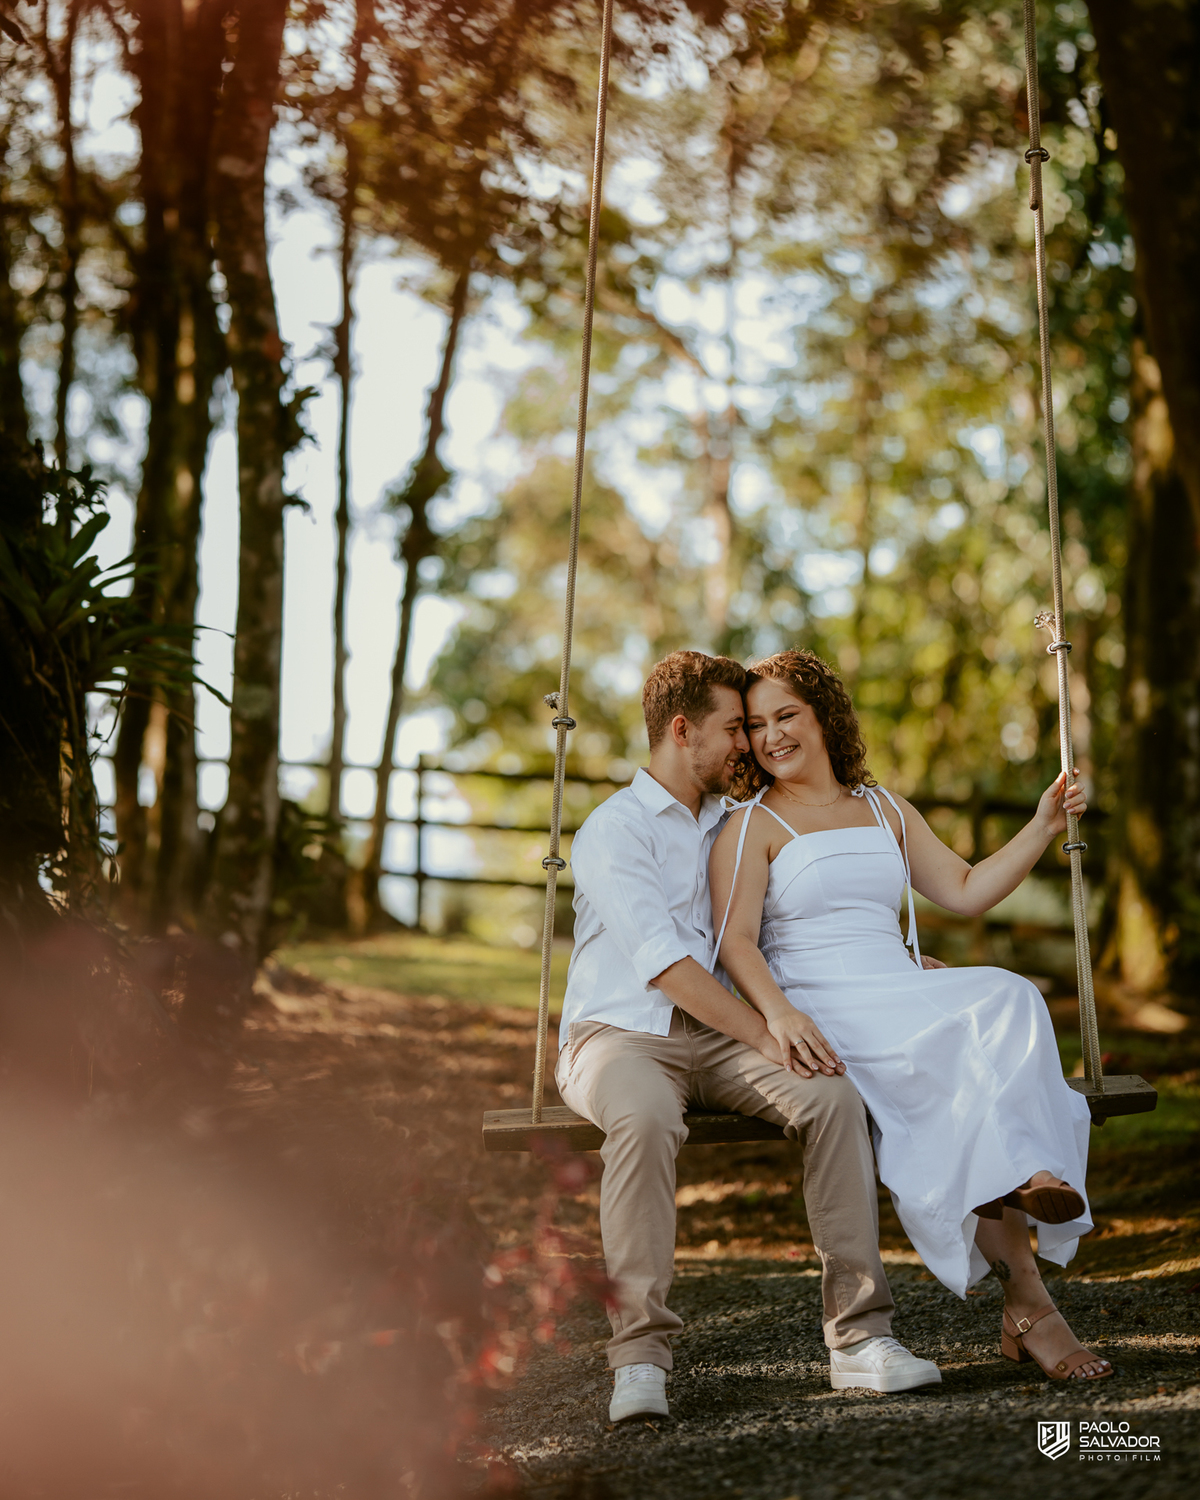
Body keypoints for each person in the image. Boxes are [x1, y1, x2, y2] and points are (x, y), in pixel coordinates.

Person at [558, 650, 941, 1425]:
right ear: (680, 730)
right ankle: (639, 1357)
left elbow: (801, 914)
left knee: (832, 1096)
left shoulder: (735, 821)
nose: (748, 743)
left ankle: (860, 1339)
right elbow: (664, 966)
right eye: (734, 727)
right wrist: (770, 1037)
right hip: (619, 1037)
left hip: (721, 1037)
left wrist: (896, 962)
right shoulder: (613, 830)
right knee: (645, 1117)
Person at [710, 648, 1111, 1384]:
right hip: (824, 1003)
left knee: (1011, 994)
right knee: (953, 1056)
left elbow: (961, 889)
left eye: (786, 715)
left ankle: (1025, 1182)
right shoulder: (751, 825)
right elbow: (734, 942)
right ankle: (1029, 1300)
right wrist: (780, 1016)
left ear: (823, 716)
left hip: (894, 984)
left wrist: (1041, 825)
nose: (772, 736)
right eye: (758, 724)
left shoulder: (885, 807)